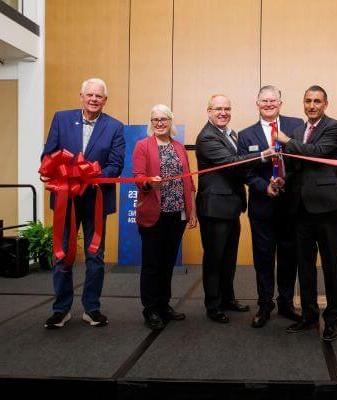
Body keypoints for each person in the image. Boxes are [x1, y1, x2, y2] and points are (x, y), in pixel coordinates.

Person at [42, 78, 125, 329]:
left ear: (105, 100)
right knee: (62, 255)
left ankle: (92, 308)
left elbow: (116, 164)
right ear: (81, 96)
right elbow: (48, 154)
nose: (93, 99)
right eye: (89, 94)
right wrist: (58, 173)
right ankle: (61, 309)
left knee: (95, 256)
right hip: (66, 200)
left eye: (99, 96)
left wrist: (91, 177)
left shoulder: (115, 127)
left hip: (96, 200)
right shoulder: (61, 118)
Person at [196, 94, 275, 324]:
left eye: (227, 108)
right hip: (214, 208)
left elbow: (238, 160)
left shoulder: (230, 133)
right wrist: (262, 155)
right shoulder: (207, 137)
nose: (223, 112)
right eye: (218, 108)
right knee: (214, 258)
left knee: (228, 258)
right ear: (208, 111)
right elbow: (232, 164)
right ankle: (213, 305)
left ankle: (227, 298)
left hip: (231, 206)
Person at [276, 85, 337, 342]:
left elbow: (318, 154)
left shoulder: (335, 127)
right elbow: (294, 167)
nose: (312, 105)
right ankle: (308, 316)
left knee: (331, 267)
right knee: (304, 267)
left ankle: (333, 320)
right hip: (300, 209)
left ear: (325, 104)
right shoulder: (296, 131)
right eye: (308, 101)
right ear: (303, 104)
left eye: (317, 101)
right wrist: (282, 180)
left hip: (327, 209)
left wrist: (288, 143)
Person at [237, 85, 303, 328]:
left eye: (272, 100)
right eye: (263, 101)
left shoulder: (297, 126)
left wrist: (288, 180)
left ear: (280, 103)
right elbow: (245, 171)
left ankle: (286, 303)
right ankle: (265, 304)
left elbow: (302, 161)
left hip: (291, 205)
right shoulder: (245, 135)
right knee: (263, 257)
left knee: (289, 256)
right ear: (257, 104)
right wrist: (264, 186)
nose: (268, 104)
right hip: (263, 206)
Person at [132, 104, 197, 331]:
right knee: (152, 264)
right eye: (155, 119)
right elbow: (138, 177)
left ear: (171, 121)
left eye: (164, 119)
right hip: (153, 214)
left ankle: (163, 304)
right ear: (151, 122)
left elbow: (188, 182)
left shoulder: (179, 147)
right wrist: (150, 182)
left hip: (176, 214)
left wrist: (192, 211)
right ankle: (150, 308)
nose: (159, 123)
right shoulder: (143, 146)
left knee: (168, 262)